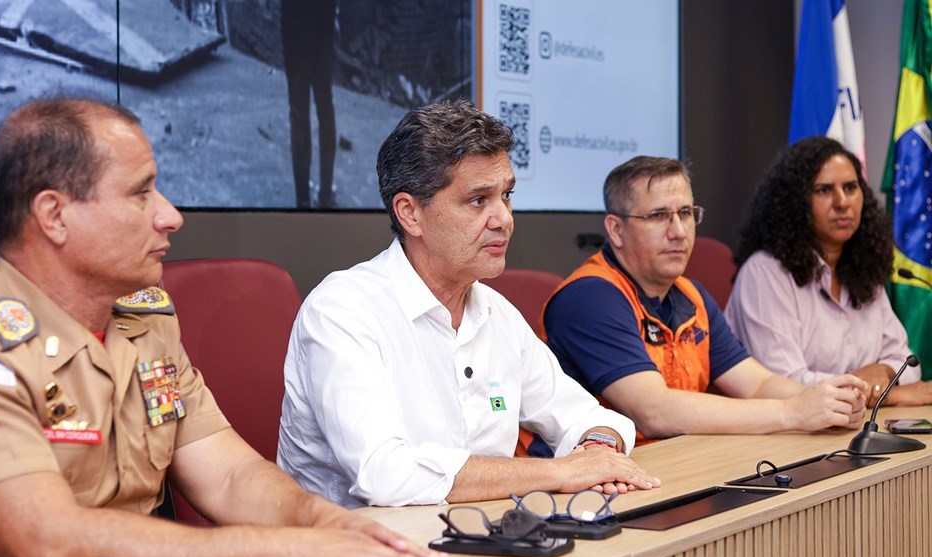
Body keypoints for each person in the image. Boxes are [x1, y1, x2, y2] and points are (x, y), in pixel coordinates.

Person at [0, 97, 442, 557]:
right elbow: (52, 550)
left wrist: (322, 521)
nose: (170, 216)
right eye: (140, 194)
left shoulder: (144, 321)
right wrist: (284, 550)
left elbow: (229, 477)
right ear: (54, 216)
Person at [277, 99, 660, 508]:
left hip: (479, 533)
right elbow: (385, 475)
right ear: (410, 214)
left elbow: (586, 416)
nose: (504, 219)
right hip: (353, 540)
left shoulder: (497, 314)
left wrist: (598, 449)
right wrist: (562, 472)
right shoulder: (342, 311)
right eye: (479, 200)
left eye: (506, 195)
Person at [541, 156, 868, 445]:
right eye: (658, 216)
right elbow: (654, 412)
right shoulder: (589, 296)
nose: (679, 232)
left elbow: (757, 384)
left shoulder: (691, 295)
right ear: (615, 230)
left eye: (685, 213)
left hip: (670, 465)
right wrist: (791, 412)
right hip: (578, 483)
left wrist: (826, 403)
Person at [725, 136, 932, 407]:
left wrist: (883, 373)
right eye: (824, 190)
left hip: (853, 422)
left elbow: (908, 363)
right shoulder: (764, 273)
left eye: (850, 187)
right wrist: (886, 393)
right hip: (788, 429)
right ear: (795, 201)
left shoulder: (864, 268)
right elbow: (784, 383)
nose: (842, 202)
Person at [281, 0, 337, 208]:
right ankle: (325, 194)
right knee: (325, 105)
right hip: (323, 15)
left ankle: (303, 201)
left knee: (299, 109)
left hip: (295, 17)